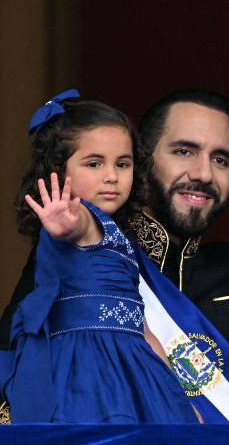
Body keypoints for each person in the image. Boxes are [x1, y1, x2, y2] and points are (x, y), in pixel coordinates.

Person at [0, 9, 229, 413]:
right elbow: (13, 364)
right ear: (142, 161)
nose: (203, 173)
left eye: (221, 159)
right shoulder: (78, 252)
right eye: (184, 151)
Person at [0, 92, 198, 423]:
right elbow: (74, 226)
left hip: (135, 369)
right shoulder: (80, 217)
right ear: (59, 173)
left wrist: (179, 396)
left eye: (123, 163)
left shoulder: (121, 239)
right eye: (94, 163)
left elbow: (143, 328)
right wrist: (63, 223)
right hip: (87, 374)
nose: (111, 176)